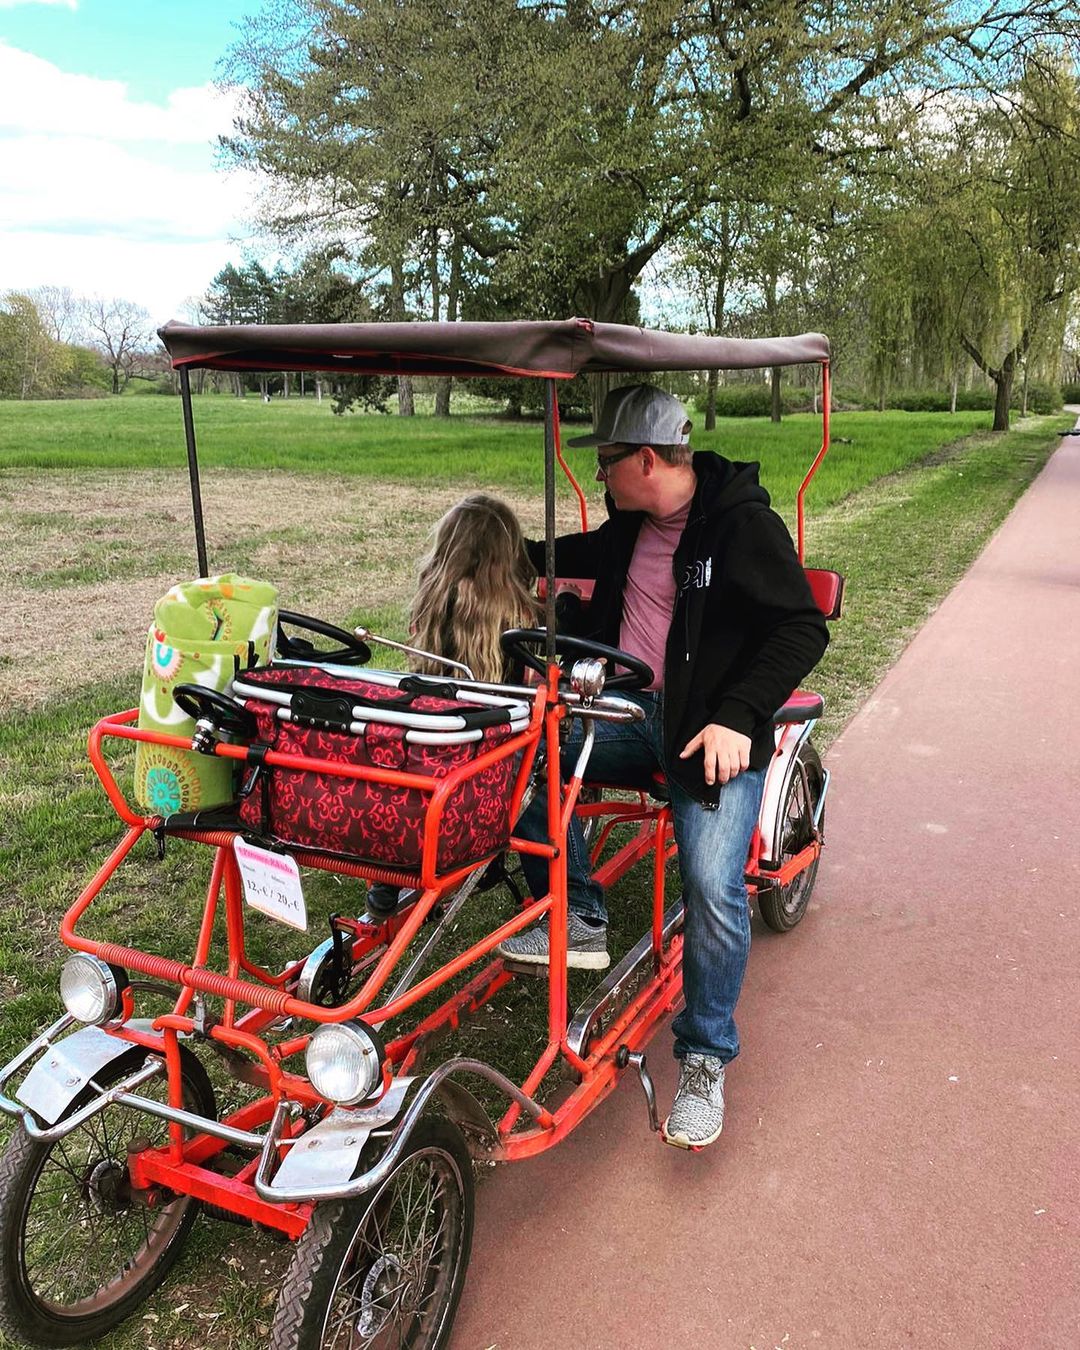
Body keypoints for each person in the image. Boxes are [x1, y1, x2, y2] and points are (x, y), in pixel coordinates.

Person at [496, 383, 829, 1149]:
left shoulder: (742, 526)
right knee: (520, 755)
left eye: (607, 461)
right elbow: (557, 557)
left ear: (645, 460)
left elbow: (801, 628)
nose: (600, 475)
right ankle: (580, 915)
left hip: (707, 734)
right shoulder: (630, 528)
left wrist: (737, 716)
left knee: (712, 886)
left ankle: (706, 1057)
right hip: (622, 714)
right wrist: (486, 542)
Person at [365, 492, 537, 915]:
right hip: (491, 750)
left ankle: (386, 882)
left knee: (400, 781)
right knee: (541, 768)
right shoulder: (522, 614)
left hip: (429, 738)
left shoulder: (431, 599)